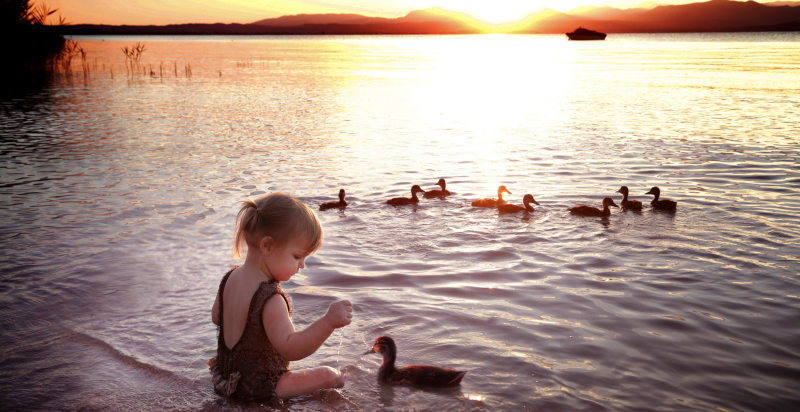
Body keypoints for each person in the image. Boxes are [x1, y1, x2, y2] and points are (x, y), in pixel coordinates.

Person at [209, 192, 353, 401]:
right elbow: (291, 349)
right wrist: (328, 322)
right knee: (331, 375)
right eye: (297, 256)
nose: (301, 265)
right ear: (267, 246)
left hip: (225, 380)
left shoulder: (229, 277)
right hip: (260, 387)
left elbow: (216, 317)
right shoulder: (271, 299)